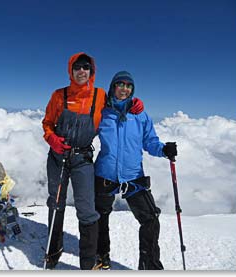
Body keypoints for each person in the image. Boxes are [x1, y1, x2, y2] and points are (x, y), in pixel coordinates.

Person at [42, 53, 145, 270]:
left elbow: (120, 102)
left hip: (82, 159)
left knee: (87, 209)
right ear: (71, 70)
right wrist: (52, 139)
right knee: (56, 202)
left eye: (86, 68)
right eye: (77, 67)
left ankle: (88, 263)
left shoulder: (99, 96)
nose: (82, 71)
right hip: (57, 158)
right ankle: (53, 250)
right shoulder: (59, 95)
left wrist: (134, 102)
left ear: (91, 71)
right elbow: (48, 123)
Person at [94, 71, 177, 270]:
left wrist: (164, 149)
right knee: (100, 217)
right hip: (105, 173)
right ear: (113, 87)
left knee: (150, 219)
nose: (124, 88)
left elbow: (150, 142)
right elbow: (86, 133)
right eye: (120, 84)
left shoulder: (141, 115)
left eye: (128, 85)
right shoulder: (102, 113)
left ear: (132, 90)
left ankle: (149, 266)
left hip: (133, 175)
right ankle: (101, 257)